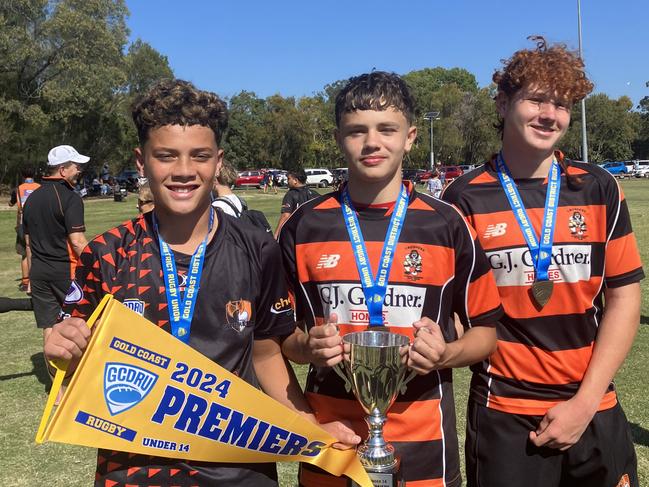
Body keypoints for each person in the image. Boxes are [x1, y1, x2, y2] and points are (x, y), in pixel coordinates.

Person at [43, 79, 357, 487]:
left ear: (218, 161)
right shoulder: (105, 254)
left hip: (239, 467)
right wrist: (59, 352)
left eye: (200, 156)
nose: (184, 171)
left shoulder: (257, 247)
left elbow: (265, 356)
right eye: (166, 156)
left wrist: (310, 428)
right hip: (135, 469)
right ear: (141, 162)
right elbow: (72, 368)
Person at [278, 71, 503, 487]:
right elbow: (277, 339)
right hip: (333, 443)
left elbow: (486, 333)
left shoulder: (447, 224)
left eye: (387, 129)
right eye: (356, 131)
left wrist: (445, 354)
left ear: (411, 136)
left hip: (425, 445)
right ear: (338, 137)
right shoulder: (303, 226)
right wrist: (307, 347)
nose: (372, 142)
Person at [442, 37, 644, 487]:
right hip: (506, 413)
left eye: (562, 104)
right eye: (535, 99)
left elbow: (625, 297)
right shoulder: (464, 198)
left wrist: (585, 402)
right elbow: (458, 315)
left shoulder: (597, 187)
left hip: (595, 407)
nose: (550, 114)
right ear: (502, 104)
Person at [22, 145, 88, 354]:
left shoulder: (31, 199)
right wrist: (97, 264)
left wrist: (30, 278)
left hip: (39, 273)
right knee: (80, 325)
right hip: (65, 272)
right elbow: (77, 242)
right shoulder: (70, 197)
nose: (79, 169)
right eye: (75, 166)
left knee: (50, 326)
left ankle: (56, 386)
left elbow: (28, 244)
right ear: (62, 170)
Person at [8, 166, 40, 292]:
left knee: (24, 253)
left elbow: (13, 203)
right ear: (35, 174)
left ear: (22, 175)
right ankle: (37, 279)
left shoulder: (19, 188)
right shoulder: (39, 187)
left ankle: (26, 281)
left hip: (23, 222)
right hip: (38, 222)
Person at [273, 169, 318, 238]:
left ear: (295, 181)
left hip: (298, 233)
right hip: (314, 232)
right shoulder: (314, 193)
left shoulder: (291, 194)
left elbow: (285, 215)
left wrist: (276, 234)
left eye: (288, 179)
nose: (287, 181)